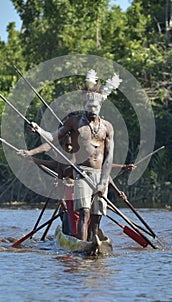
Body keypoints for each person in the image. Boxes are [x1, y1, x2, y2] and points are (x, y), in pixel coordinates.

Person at [29, 70, 123, 241]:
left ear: (101, 105)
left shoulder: (107, 127)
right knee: (84, 212)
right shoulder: (74, 122)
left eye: (95, 106)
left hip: (99, 175)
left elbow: (109, 157)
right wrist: (39, 130)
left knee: (96, 216)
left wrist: (103, 183)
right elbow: (53, 137)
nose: (92, 108)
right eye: (89, 105)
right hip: (82, 173)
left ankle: (93, 243)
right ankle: (81, 246)